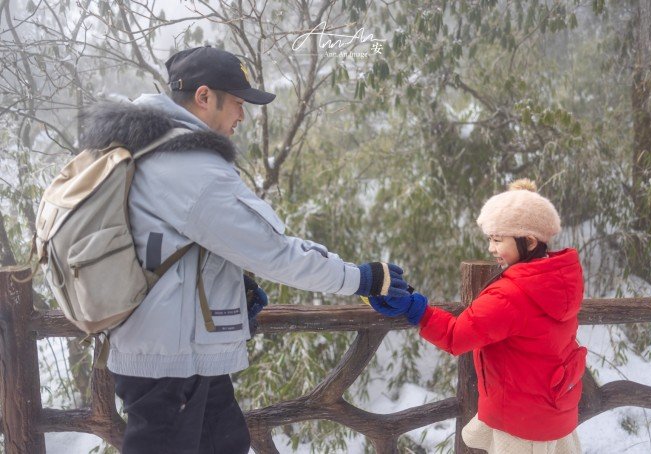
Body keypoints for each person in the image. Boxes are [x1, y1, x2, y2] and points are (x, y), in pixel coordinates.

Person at [78, 45, 410, 453]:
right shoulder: (185, 165)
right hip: (170, 363)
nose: (243, 114)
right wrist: (362, 278)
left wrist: (232, 288)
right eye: (237, 102)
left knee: (227, 441)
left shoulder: (152, 147)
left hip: (176, 351)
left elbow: (175, 247)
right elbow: (274, 252)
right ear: (204, 96)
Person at [369, 179, 586, 454]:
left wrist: (416, 309)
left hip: (523, 425)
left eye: (498, 240)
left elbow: (456, 336)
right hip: (552, 408)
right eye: (489, 239)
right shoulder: (559, 278)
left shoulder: (511, 295)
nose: (491, 248)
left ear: (530, 241)